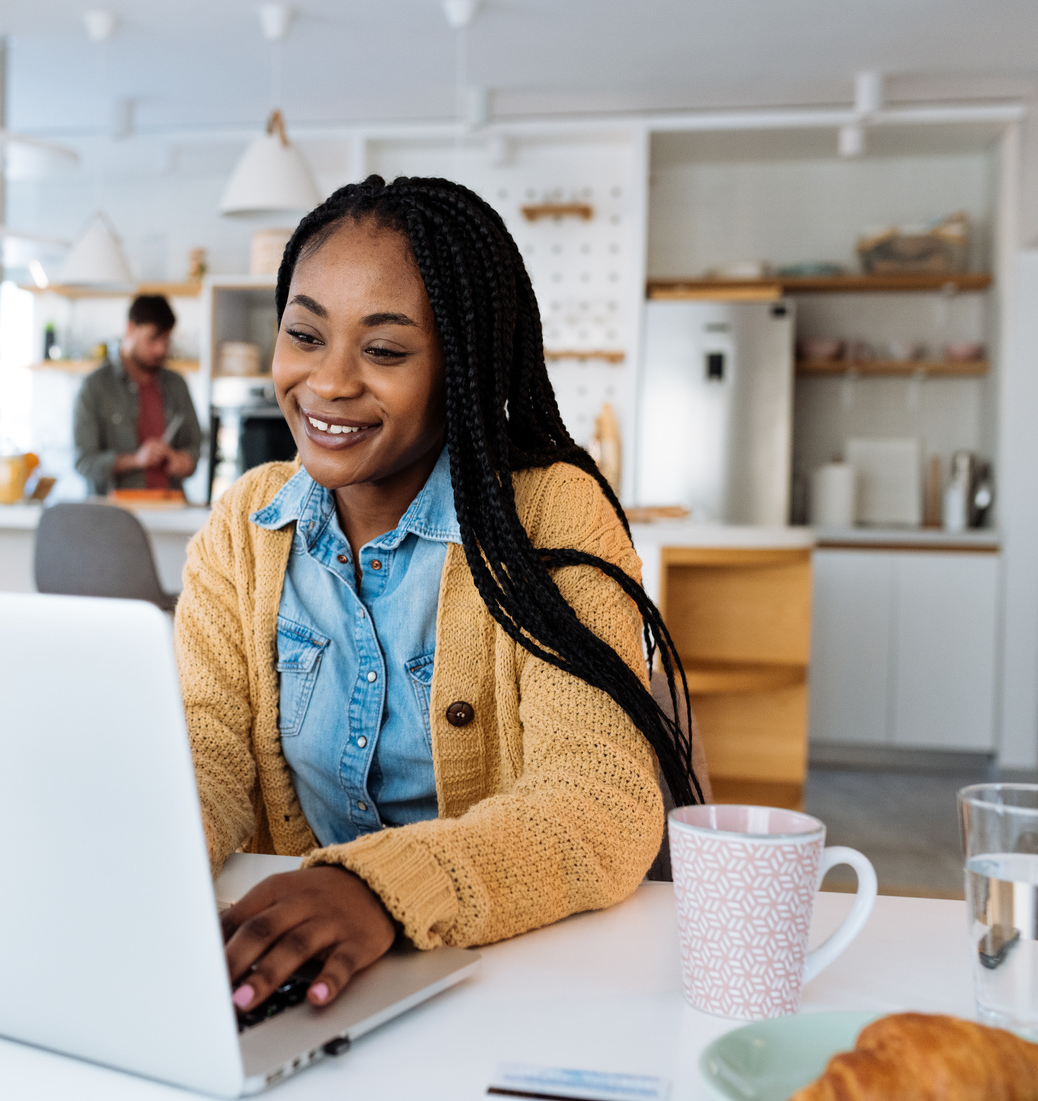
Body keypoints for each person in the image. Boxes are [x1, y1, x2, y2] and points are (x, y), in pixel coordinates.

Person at [174, 175, 701, 1018]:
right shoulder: (246, 524)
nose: (329, 383)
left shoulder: (551, 511)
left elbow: (601, 799)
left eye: (383, 351)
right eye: (305, 334)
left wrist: (379, 889)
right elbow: (206, 755)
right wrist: (139, 866)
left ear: (462, 365)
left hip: (506, 978)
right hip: (301, 979)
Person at [73, 295, 203, 496]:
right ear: (130, 329)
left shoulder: (177, 384)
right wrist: (136, 459)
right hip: (115, 514)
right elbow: (84, 463)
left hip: (171, 508)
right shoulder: (95, 386)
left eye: (166, 340)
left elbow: (195, 447)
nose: (161, 349)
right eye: (153, 339)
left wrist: (184, 460)